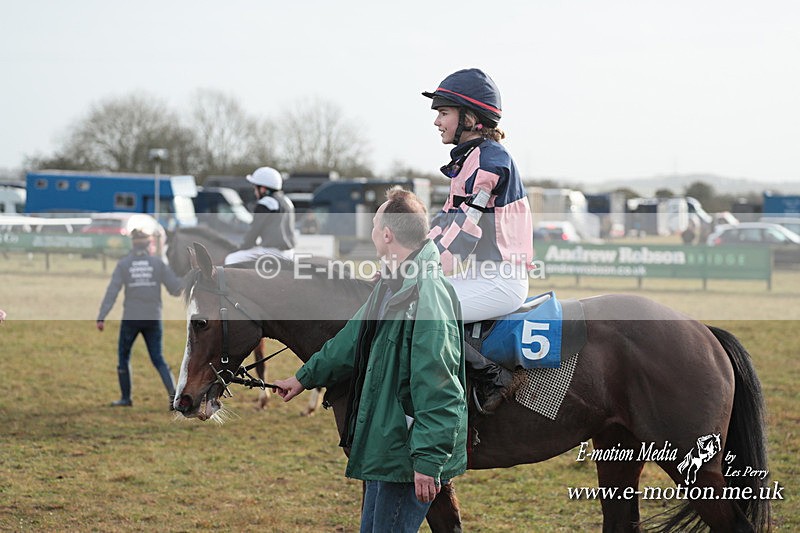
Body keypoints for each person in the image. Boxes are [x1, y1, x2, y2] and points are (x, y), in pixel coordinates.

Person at [274, 188, 467, 533]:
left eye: (375, 224)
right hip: (385, 446)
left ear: (388, 234)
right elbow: (351, 340)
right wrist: (304, 377)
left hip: (407, 456)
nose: (373, 230)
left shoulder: (427, 295)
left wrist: (428, 460)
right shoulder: (390, 284)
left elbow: (439, 384)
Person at [423, 68, 534, 413]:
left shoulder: (487, 162)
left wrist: (417, 269)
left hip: (501, 279)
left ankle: (493, 376)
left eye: (444, 113)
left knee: (420, 310)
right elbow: (444, 224)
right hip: (485, 273)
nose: (437, 122)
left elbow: (462, 236)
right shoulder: (472, 159)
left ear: (470, 118)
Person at [96, 228, 183, 408]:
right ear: (149, 244)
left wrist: (102, 316)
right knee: (158, 358)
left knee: (124, 357)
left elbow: (112, 291)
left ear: (132, 243)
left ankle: (126, 398)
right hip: (153, 317)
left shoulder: (124, 264)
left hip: (131, 318)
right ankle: (174, 398)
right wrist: (188, 276)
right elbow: (175, 289)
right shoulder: (157, 263)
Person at [224, 166, 296, 264]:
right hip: (290, 253)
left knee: (231, 259)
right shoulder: (287, 201)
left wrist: (242, 247)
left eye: (255, 188)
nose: (255, 192)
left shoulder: (265, 203)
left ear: (262, 189)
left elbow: (253, 232)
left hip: (272, 252)